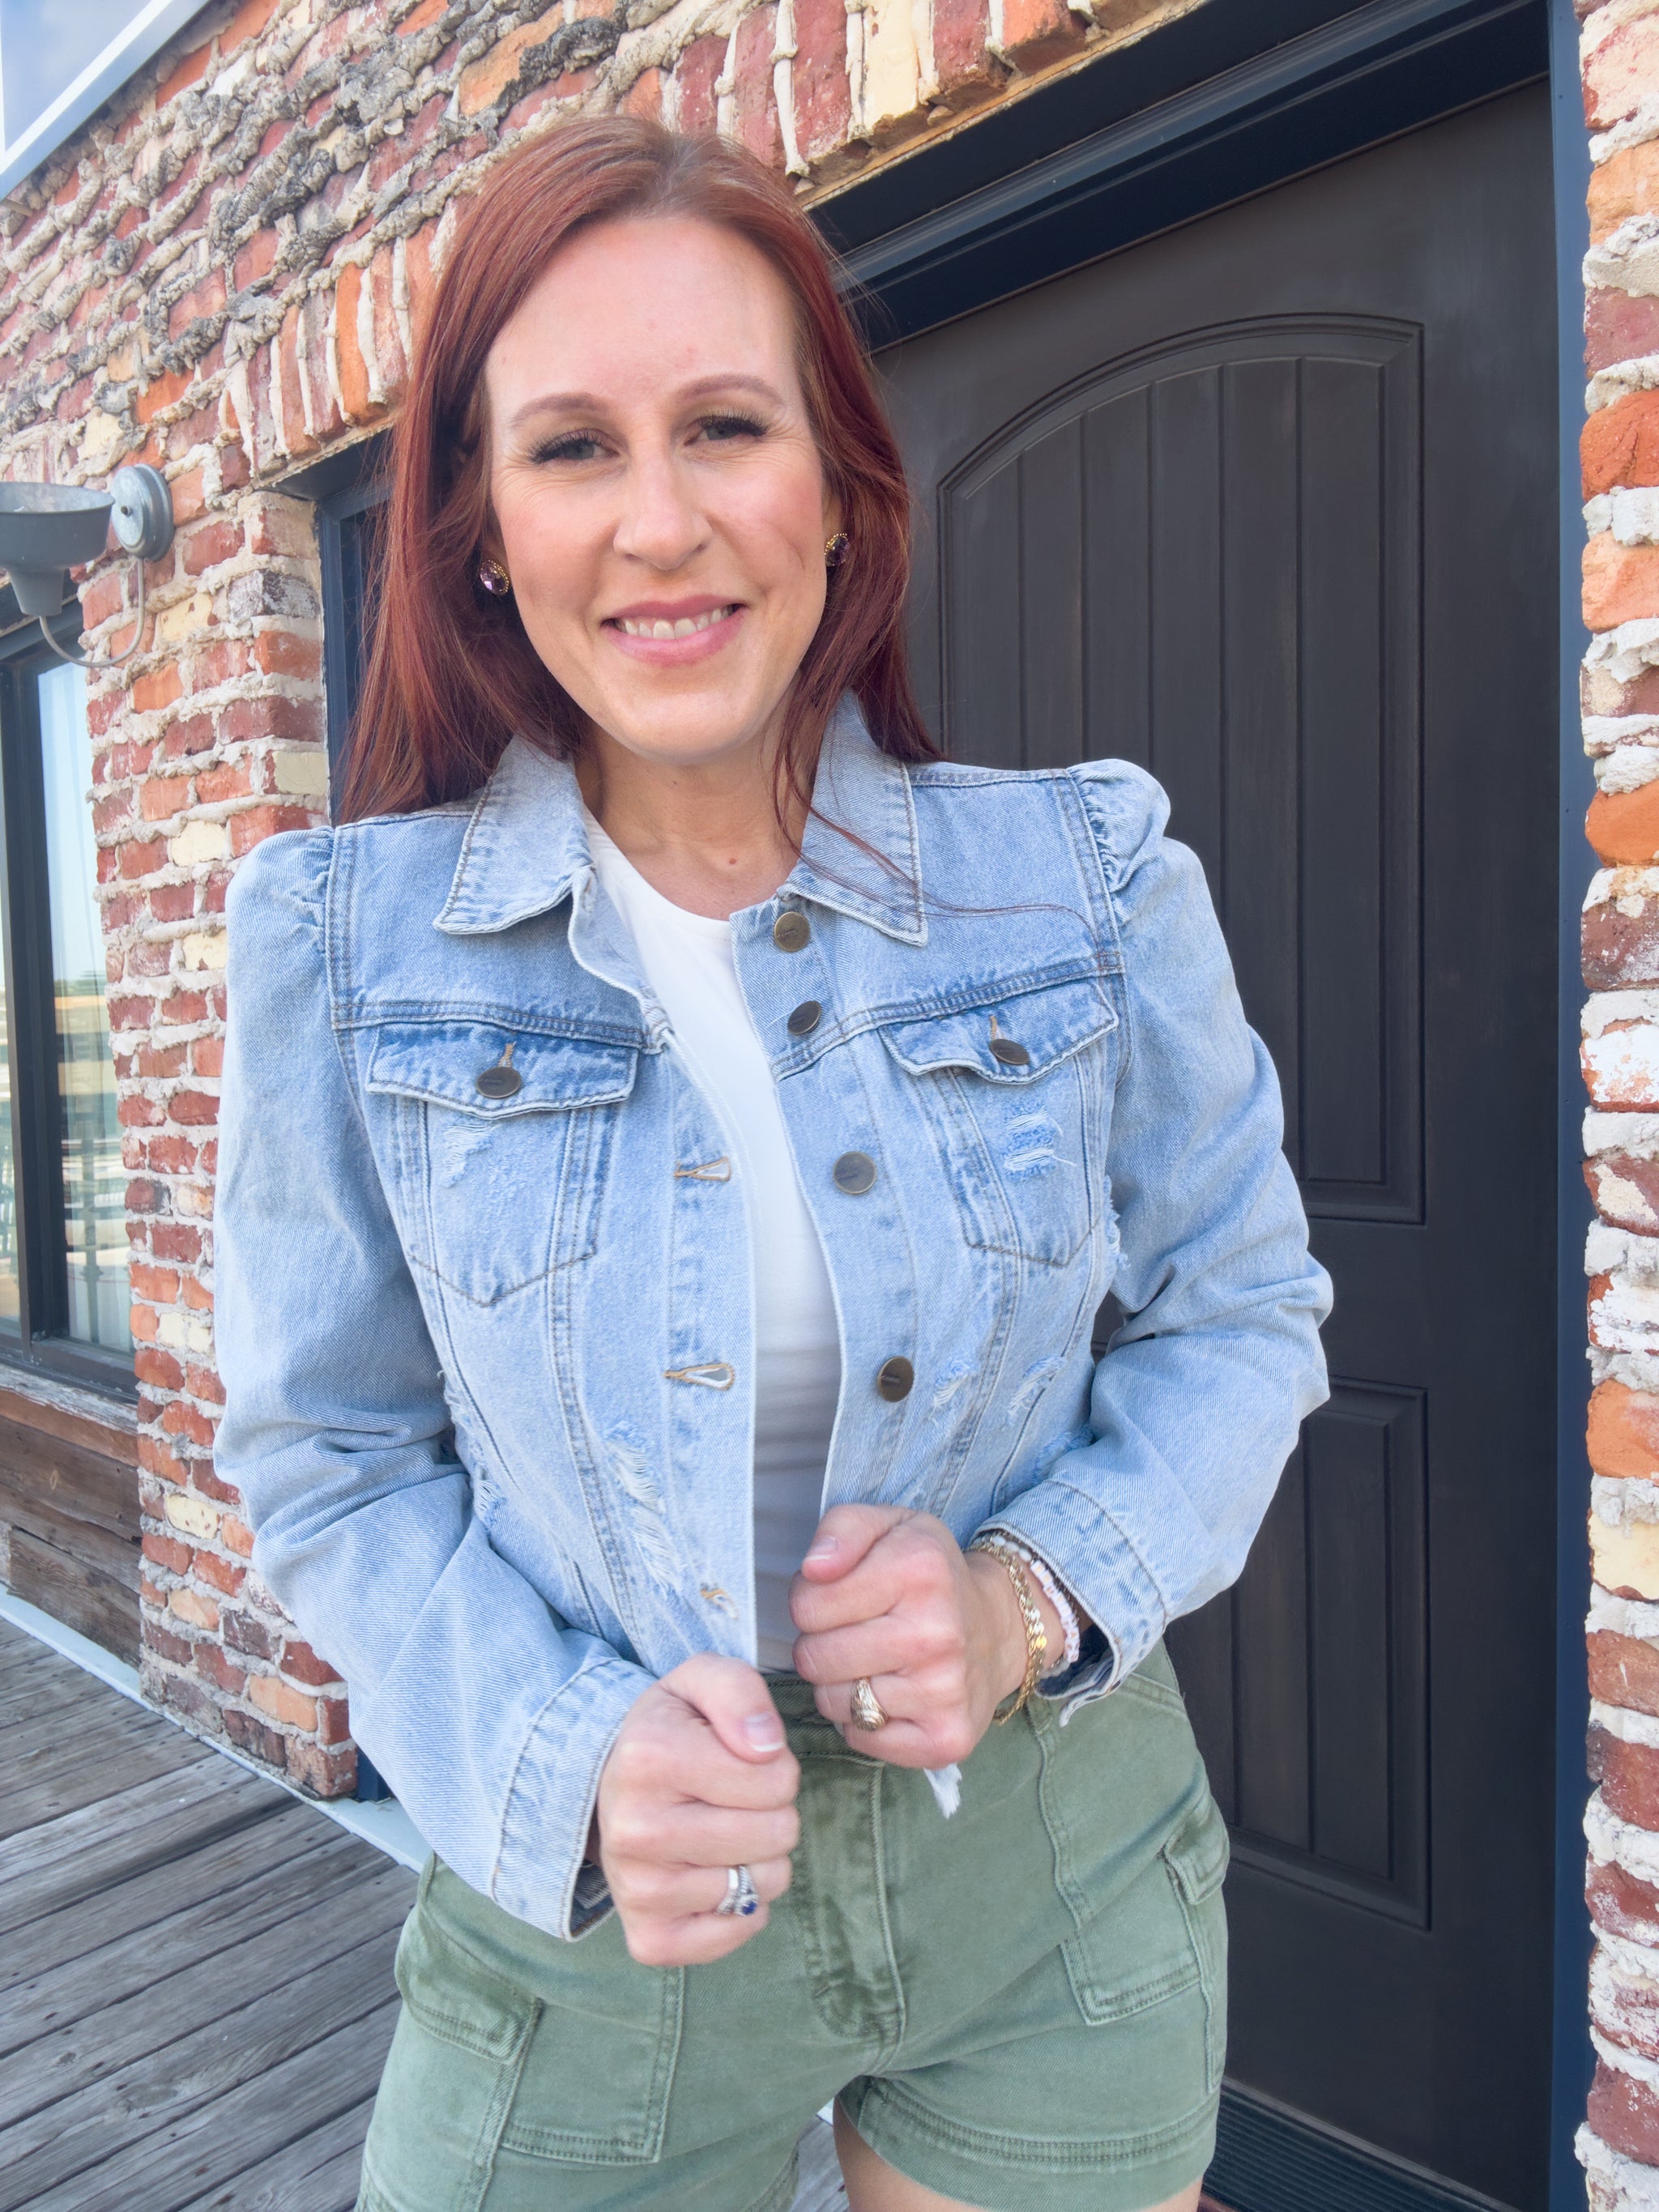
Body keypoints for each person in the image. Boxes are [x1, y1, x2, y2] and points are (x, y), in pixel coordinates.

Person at [214, 117, 1330, 2212]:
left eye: (726, 426)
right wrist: (556, 1755)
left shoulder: (1085, 878)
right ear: (479, 529)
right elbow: (330, 1453)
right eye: (571, 448)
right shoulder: (344, 949)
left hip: (1051, 1861)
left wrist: (1022, 1596)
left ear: (838, 482)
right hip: (595, 1931)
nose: (661, 523)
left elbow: (1244, 1314)